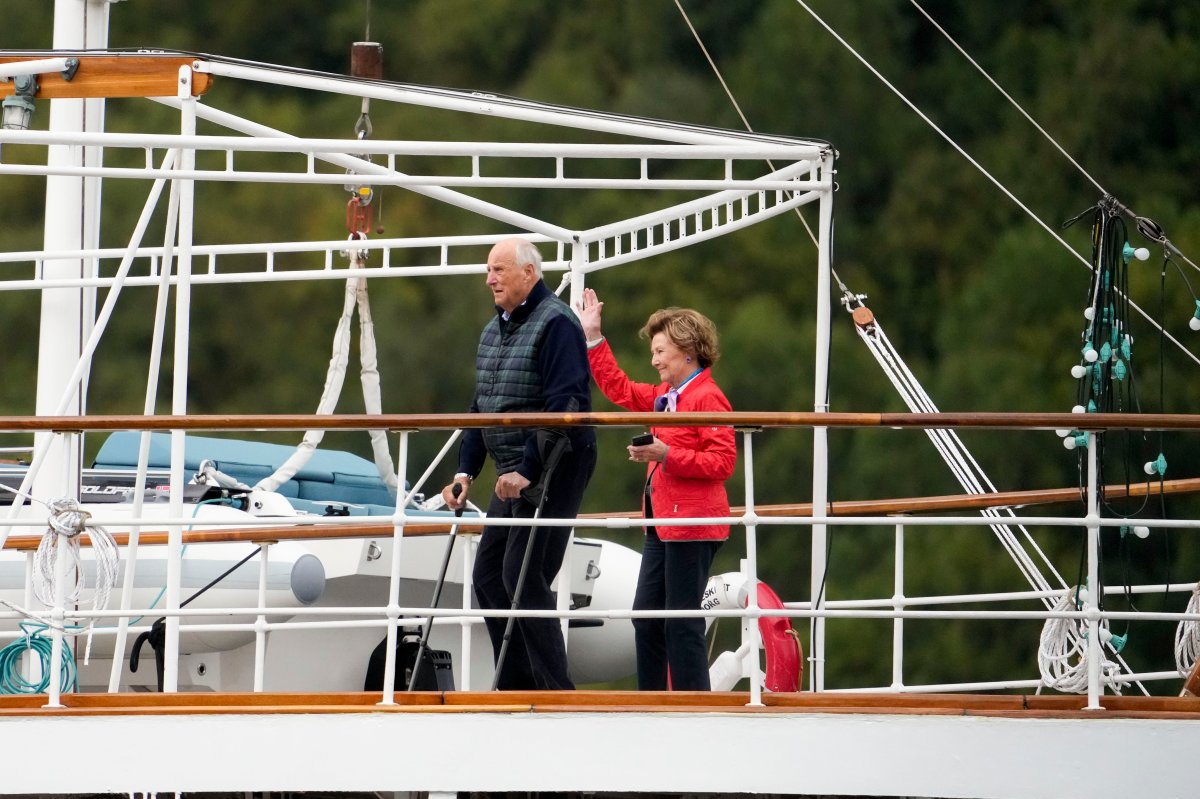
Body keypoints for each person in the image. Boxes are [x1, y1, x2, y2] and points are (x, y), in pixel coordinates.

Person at [440, 237, 597, 691]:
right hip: (513, 465)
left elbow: (565, 405)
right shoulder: (494, 330)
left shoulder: (557, 323)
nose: (489, 279)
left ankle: (555, 692)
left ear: (529, 273)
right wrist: (465, 472)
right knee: (489, 576)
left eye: (499, 270)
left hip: (555, 463)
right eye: (488, 271)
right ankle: (516, 682)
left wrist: (527, 470)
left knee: (524, 576)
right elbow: (481, 407)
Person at [578, 288, 736, 691]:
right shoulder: (668, 396)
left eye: (660, 351)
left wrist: (666, 454)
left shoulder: (708, 397)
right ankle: (653, 703)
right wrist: (593, 338)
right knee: (646, 617)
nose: (654, 360)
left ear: (687, 350)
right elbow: (620, 389)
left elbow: (723, 463)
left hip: (693, 524)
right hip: (662, 523)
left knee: (681, 621)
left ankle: (692, 707)